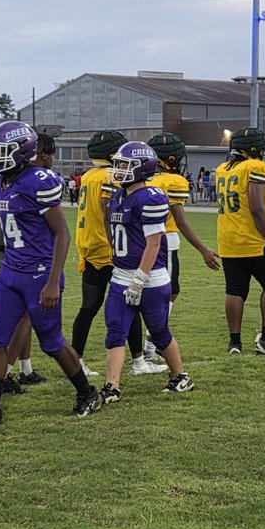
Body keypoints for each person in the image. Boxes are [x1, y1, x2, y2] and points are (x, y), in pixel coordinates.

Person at [0, 120, 102, 426]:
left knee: (51, 341)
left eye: (1, 150)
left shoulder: (39, 180)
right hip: (10, 271)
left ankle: (87, 392)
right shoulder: (2, 183)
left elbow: (62, 234)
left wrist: (52, 282)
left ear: (21, 151)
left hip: (38, 274)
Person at [97, 142, 194, 405]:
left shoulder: (152, 197)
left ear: (142, 168)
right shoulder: (119, 195)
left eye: (124, 164)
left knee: (159, 331)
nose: (118, 169)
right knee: (115, 331)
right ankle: (112, 386)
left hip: (150, 278)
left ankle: (181, 376)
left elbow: (153, 243)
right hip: (121, 275)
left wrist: (140, 278)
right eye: (117, 164)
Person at [69, 129, 156, 377]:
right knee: (131, 303)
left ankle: (77, 359)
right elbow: (110, 213)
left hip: (90, 247)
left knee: (89, 307)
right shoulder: (110, 175)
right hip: (110, 249)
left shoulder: (88, 175)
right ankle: (138, 361)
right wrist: (118, 245)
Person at [214, 127, 265, 356]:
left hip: (228, 239)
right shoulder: (256, 167)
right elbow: (257, 208)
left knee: (235, 290)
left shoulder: (222, 169)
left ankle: (234, 343)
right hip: (253, 240)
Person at [146, 132, 221, 356]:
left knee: (159, 293)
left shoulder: (142, 178)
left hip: (139, 241)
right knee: (166, 294)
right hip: (163, 240)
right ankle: (151, 347)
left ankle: (151, 346)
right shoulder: (172, 181)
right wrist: (203, 250)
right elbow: (180, 221)